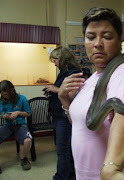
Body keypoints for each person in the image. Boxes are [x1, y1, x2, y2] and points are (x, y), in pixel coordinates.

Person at [58, 7, 124, 180]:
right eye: (91, 37)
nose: (97, 43)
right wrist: (66, 102)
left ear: (120, 41)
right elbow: (83, 125)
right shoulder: (92, 80)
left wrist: (112, 169)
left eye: (107, 36)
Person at [44, 46, 81, 180]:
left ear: (62, 58)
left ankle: (61, 177)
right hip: (60, 115)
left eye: (55, 60)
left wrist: (55, 89)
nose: (54, 63)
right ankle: (69, 174)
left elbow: (73, 94)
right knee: (66, 148)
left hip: (65, 116)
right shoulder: (64, 72)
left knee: (63, 149)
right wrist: (52, 90)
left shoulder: (73, 72)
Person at [0, 80, 32, 171]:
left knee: (27, 140)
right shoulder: (1, 100)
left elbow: (28, 113)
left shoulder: (22, 98)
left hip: (20, 125)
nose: (5, 96)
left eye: (6, 94)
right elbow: (0, 113)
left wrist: (17, 113)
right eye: (3, 94)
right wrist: (5, 116)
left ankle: (24, 159)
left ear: (12, 90)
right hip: (7, 125)